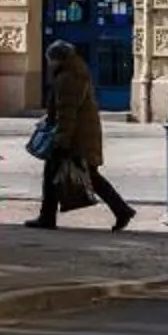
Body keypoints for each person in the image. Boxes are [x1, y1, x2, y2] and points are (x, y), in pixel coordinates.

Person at [24, 39, 134, 231]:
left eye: (50, 60)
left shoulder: (68, 78)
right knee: (87, 176)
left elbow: (67, 112)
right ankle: (121, 210)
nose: (49, 64)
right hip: (79, 135)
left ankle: (47, 217)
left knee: (57, 175)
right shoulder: (74, 72)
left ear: (58, 59)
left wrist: (61, 139)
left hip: (74, 138)